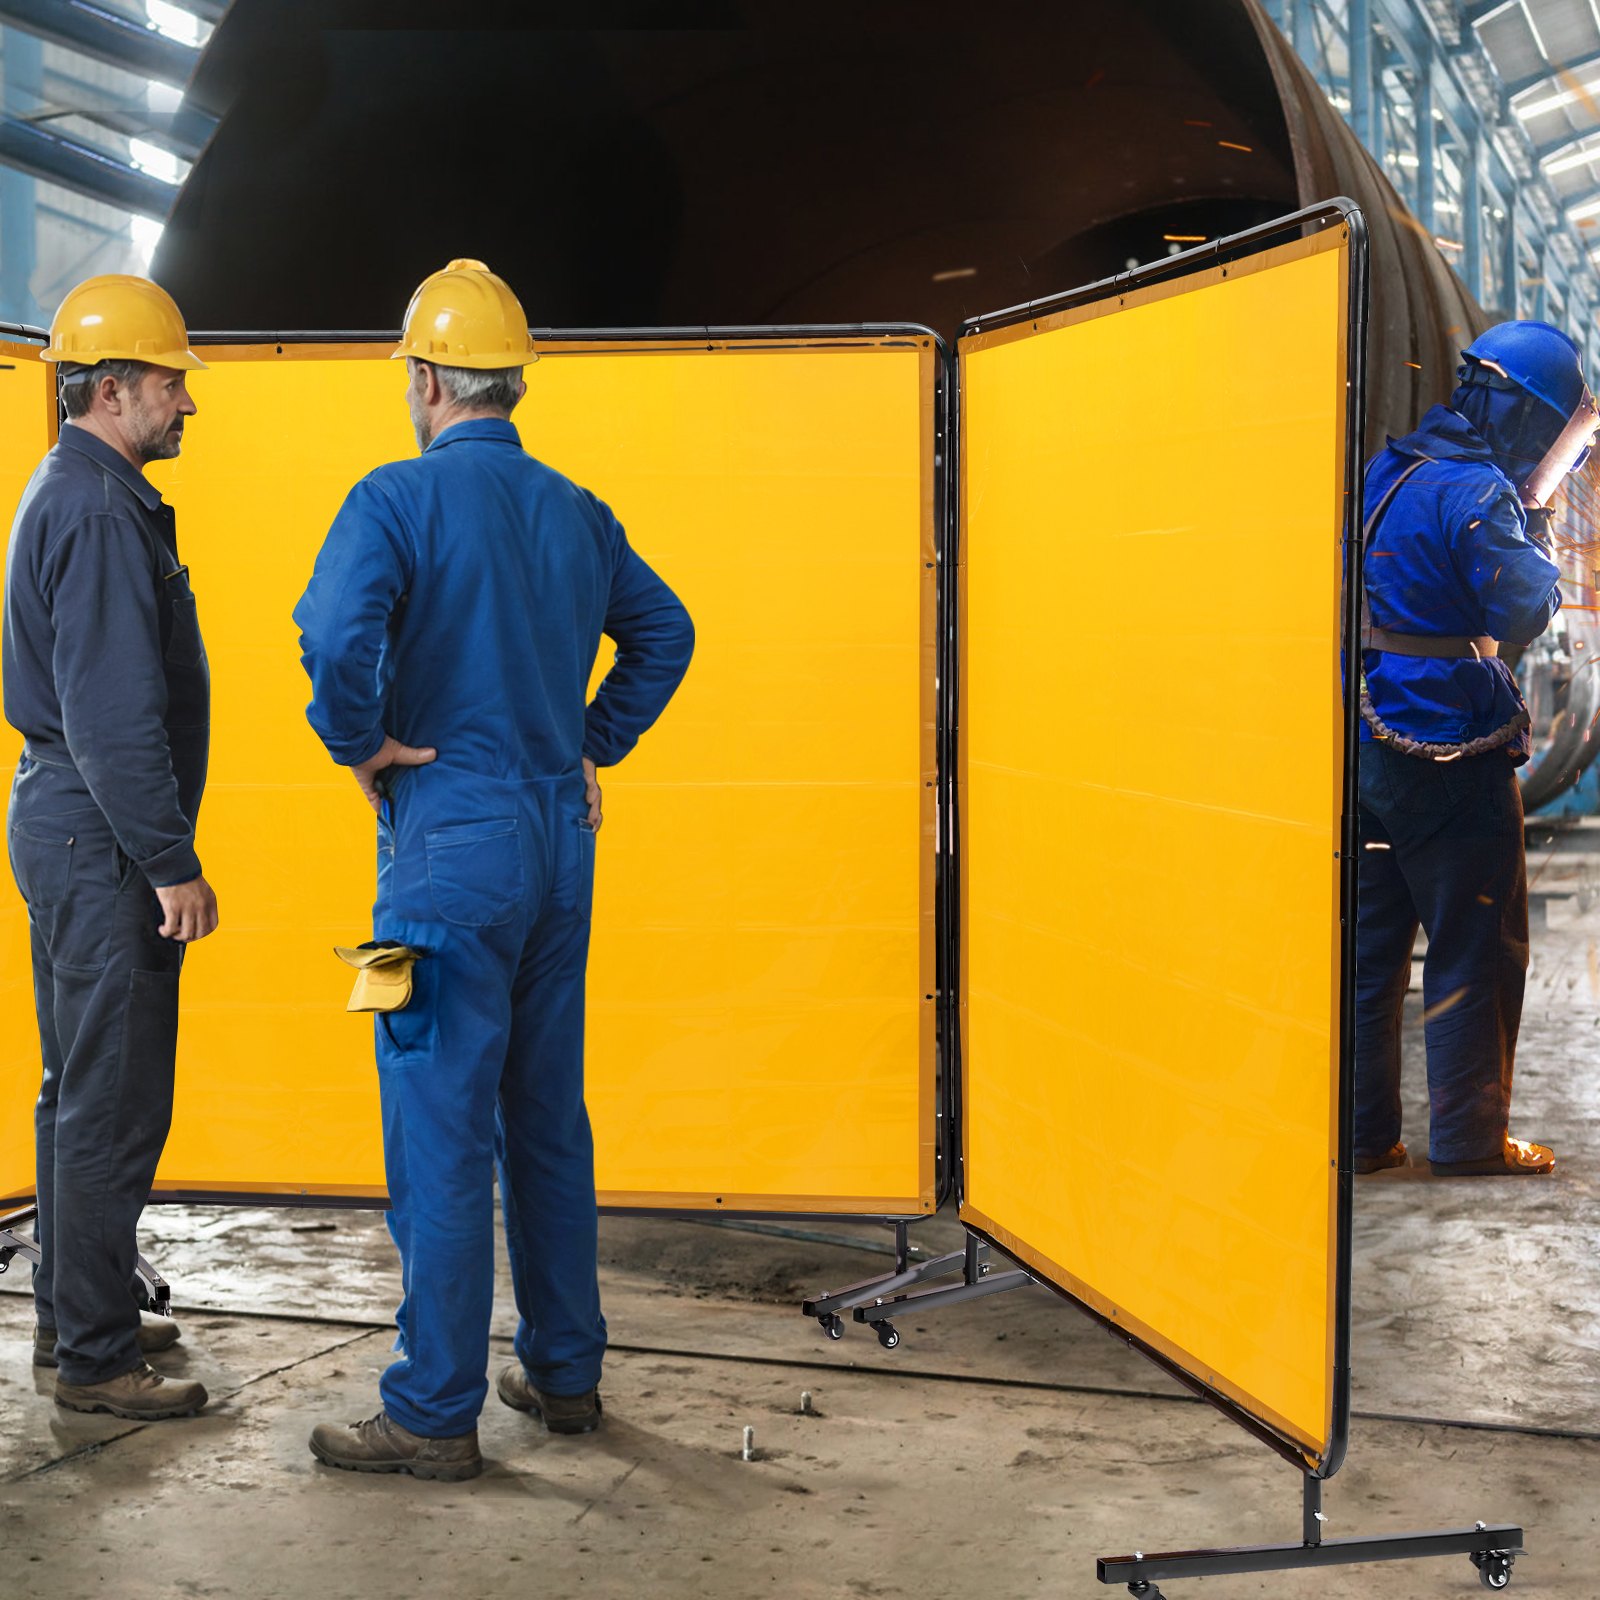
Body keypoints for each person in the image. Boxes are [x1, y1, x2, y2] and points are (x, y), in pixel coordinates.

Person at [295, 260, 694, 1481]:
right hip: (555, 851)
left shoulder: (393, 496)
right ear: (512, 385)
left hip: (436, 854)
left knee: (433, 1122)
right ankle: (565, 1374)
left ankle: (430, 1411)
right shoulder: (576, 508)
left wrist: (359, 741)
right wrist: (585, 742)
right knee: (544, 1114)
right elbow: (666, 631)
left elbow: (329, 632)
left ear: (423, 380)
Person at [3, 276, 218, 1418]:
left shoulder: (87, 491)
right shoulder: (93, 510)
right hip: (101, 835)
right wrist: (171, 863)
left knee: (73, 1090)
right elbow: (114, 716)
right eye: (173, 381)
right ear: (117, 386)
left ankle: (68, 1310)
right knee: (112, 1097)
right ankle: (92, 1354)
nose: (189, 401)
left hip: (69, 821)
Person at [1354, 320, 1597, 1179]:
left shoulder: (1392, 468)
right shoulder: (1479, 493)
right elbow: (1523, 614)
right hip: (1448, 749)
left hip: (1367, 744)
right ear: (1530, 424)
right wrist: (1536, 518)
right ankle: (1467, 1142)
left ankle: (1364, 1138)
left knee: (1372, 951)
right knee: (1475, 947)